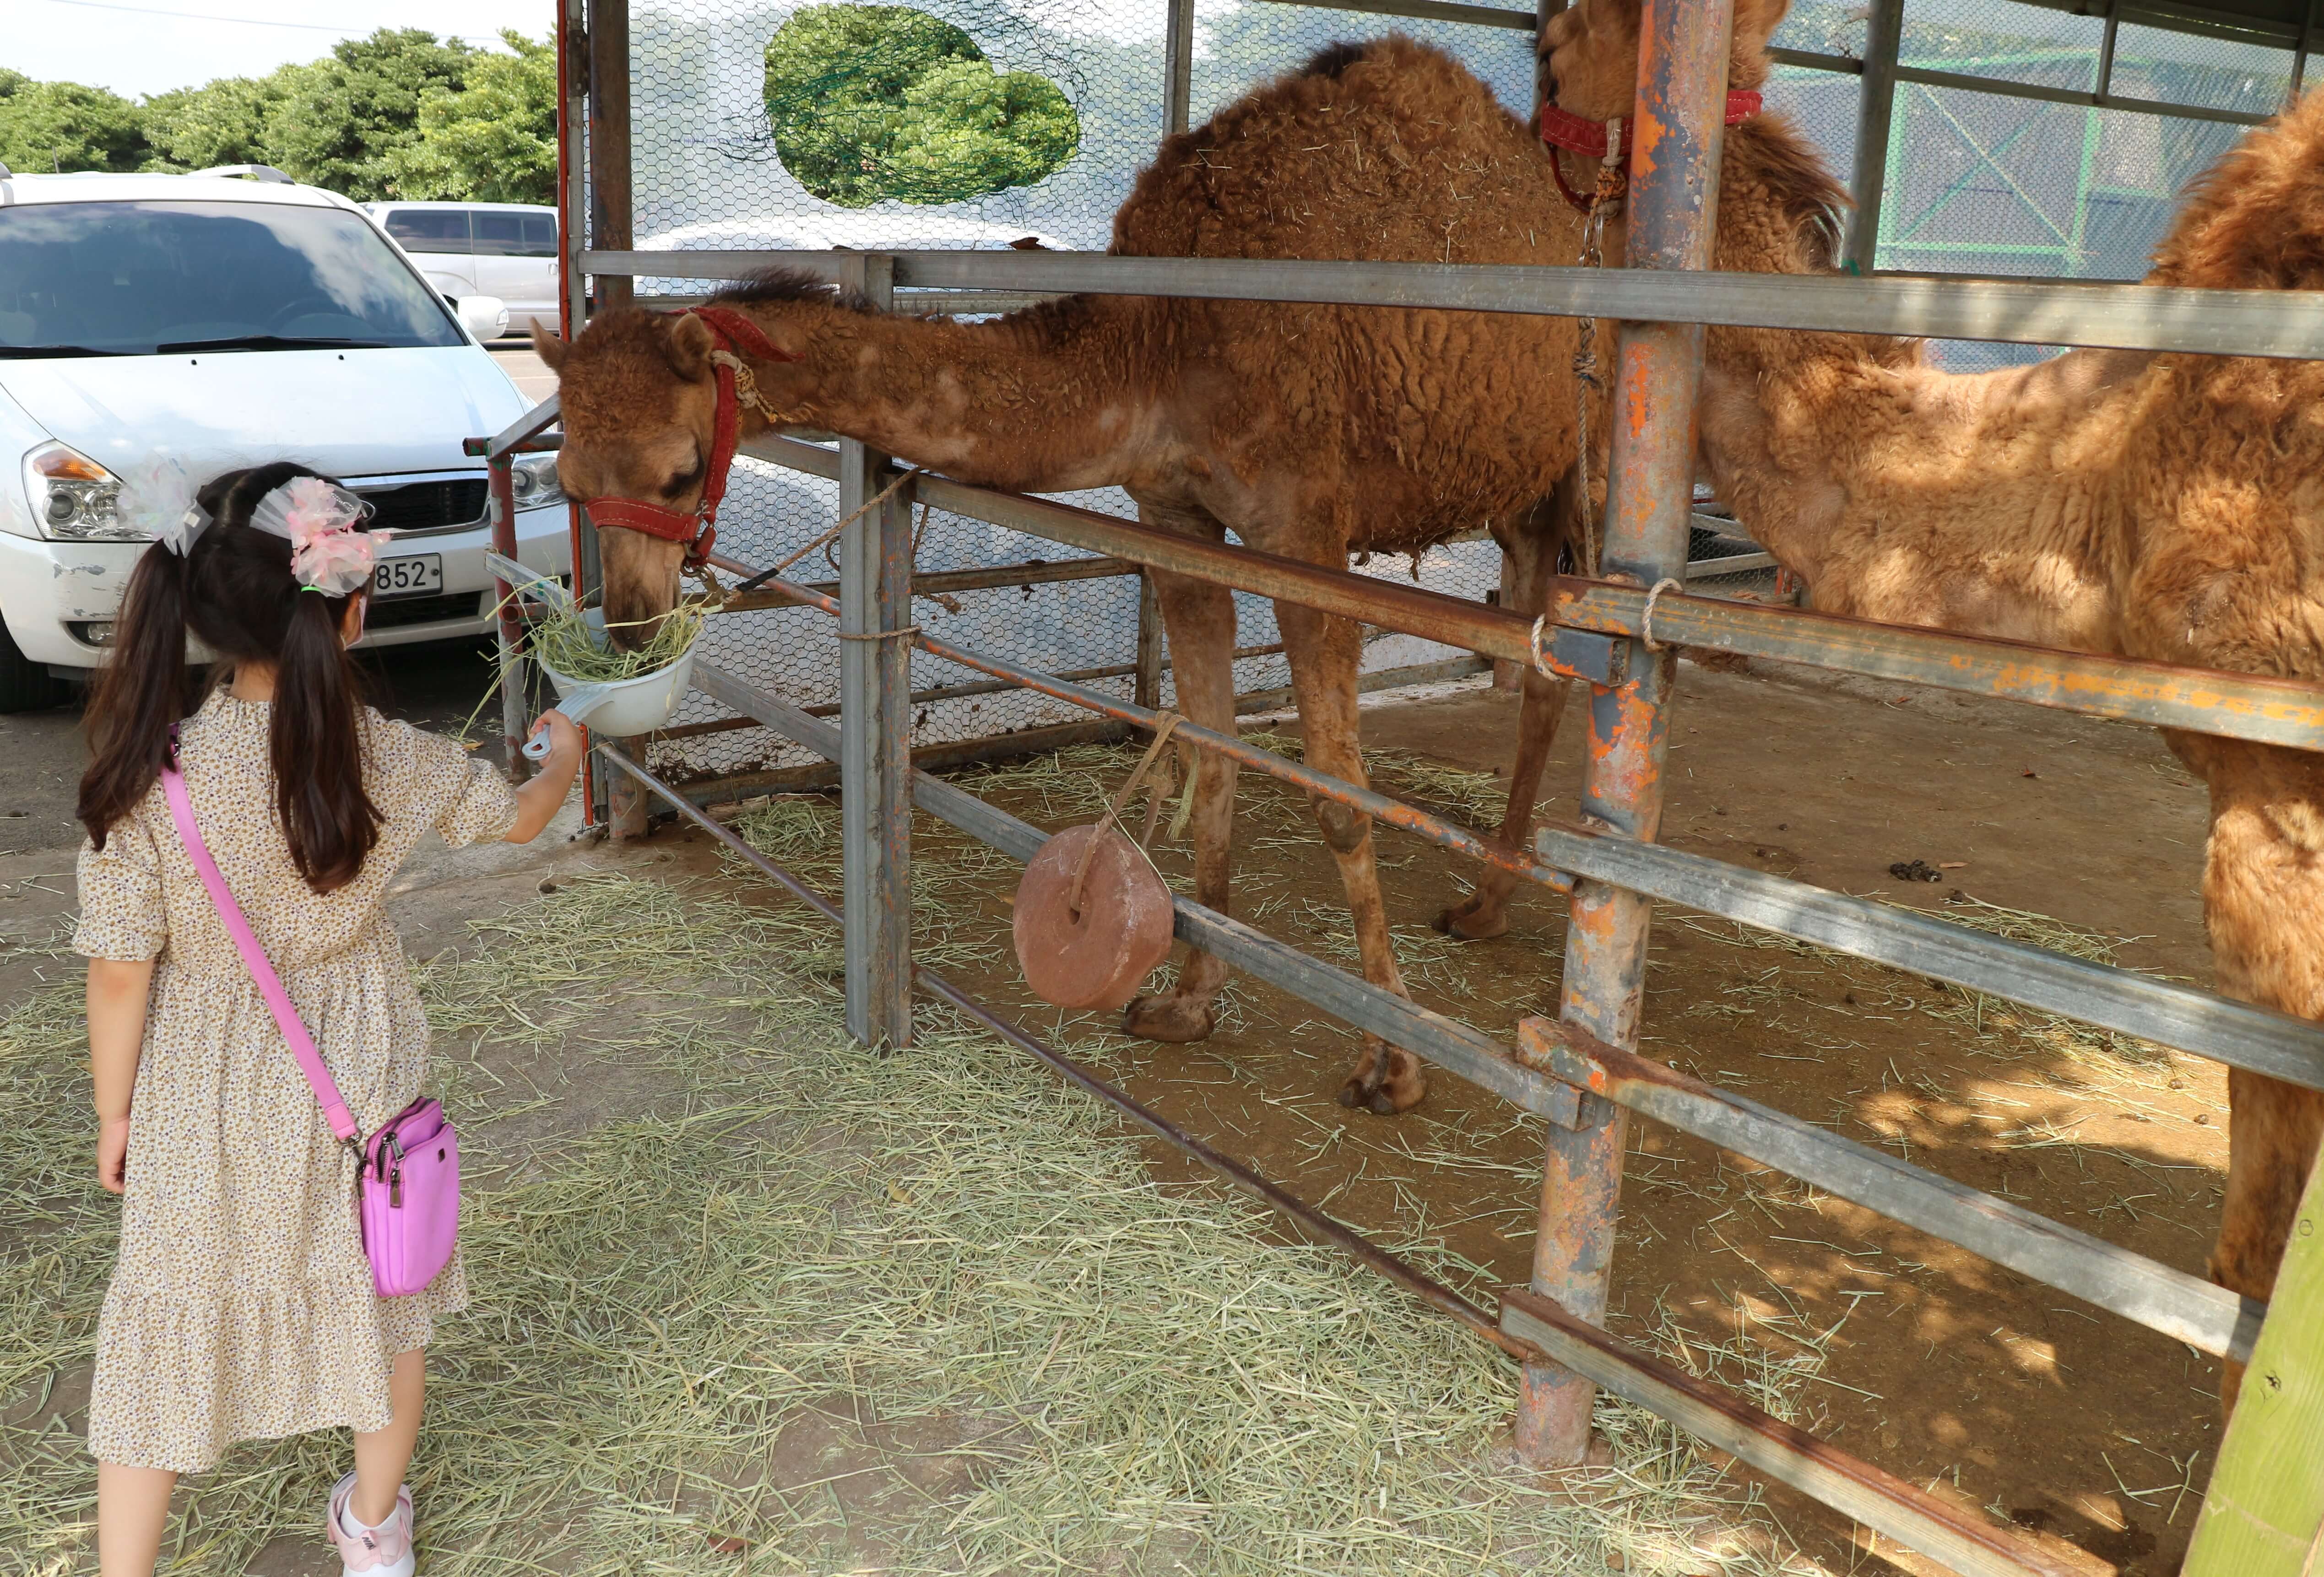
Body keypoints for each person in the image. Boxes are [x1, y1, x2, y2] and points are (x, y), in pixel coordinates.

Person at [74, 462, 583, 1577]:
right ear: (350, 613)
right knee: (385, 1295)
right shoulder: (388, 755)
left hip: (200, 1086)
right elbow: (514, 818)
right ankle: (373, 1531)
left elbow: (119, 970)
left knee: (168, 1311)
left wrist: (116, 1113)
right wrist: (564, 761)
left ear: (199, 614)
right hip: (359, 1068)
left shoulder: (152, 775)